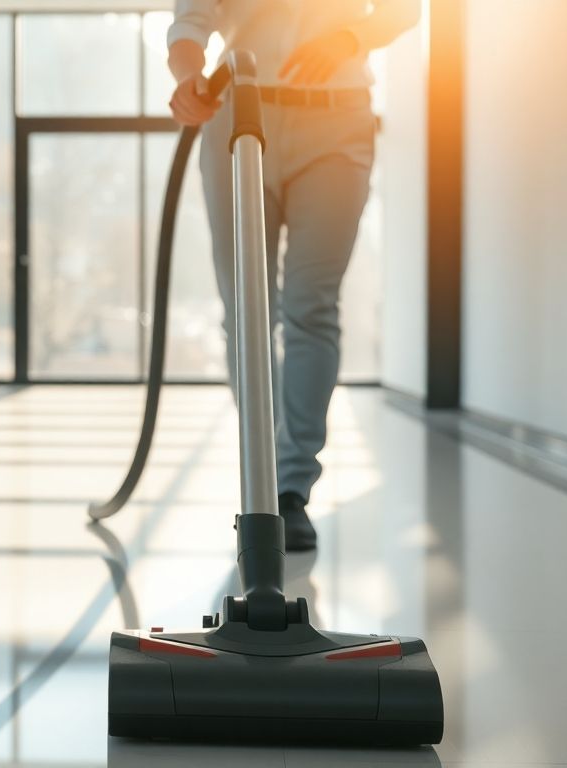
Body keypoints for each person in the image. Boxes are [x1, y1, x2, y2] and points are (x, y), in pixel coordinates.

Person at [167, 0, 420, 550]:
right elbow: (190, 22)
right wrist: (190, 78)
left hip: (336, 120)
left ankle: (289, 491)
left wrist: (349, 39)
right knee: (246, 309)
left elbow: (405, 10)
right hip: (238, 112)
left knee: (311, 307)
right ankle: (262, 476)